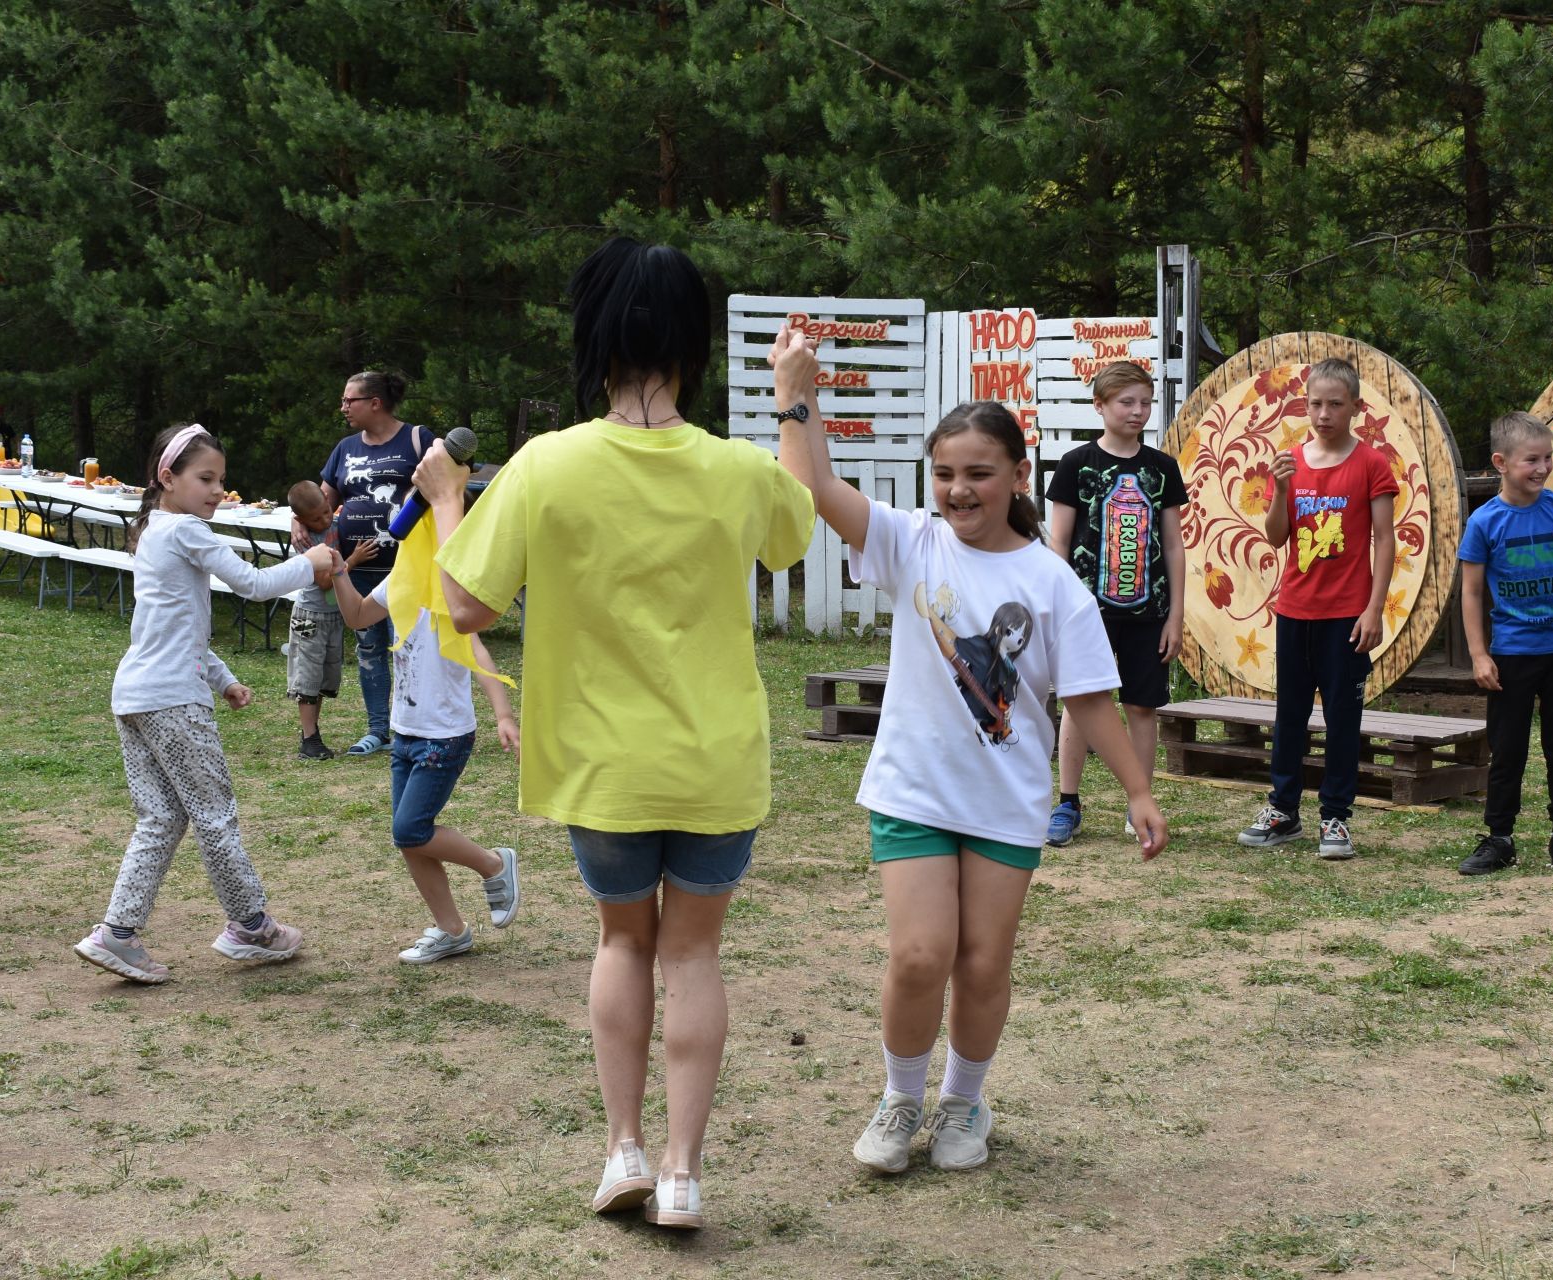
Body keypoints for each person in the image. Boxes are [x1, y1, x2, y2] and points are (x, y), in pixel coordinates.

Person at [421, 237, 814, 1229]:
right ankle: (682, 1170)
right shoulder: (735, 469)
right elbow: (800, 524)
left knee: (622, 940)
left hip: (600, 766)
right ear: (695, 342)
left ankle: (623, 1150)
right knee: (693, 953)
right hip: (718, 761)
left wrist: (445, 499)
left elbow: (464, 603)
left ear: (593, 339)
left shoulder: (549, 464)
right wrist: (798, 398)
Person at [768, 327, 1168, 1177]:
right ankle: (899, 1097)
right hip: (914, 789)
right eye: (945, 473)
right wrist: (796, 396)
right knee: (920, 956)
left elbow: (1091, 700)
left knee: (983, 963)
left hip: (1005, 801)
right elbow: (815, 487)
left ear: (1019, 477)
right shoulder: (911, 540)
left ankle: (962, 1103)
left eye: (979, 473)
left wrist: (1136, 791)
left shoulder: (1054, 583)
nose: (958, 490)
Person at [73, 423, 334, 984]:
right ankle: (252, 928)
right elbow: (252, 584)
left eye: (221, 479)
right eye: (205, 478)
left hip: (136, 696)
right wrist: (311, 564)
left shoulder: (155, 533)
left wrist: (224, 680)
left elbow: (174, 630)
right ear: (167, 478)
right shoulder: (185, 529)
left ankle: (117, 935)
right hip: (171, 702)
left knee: (162, 816)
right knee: (214, 816)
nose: (217, 490)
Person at [1238, 357, 1399, 859]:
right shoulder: (1292, 459)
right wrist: (1281, 488)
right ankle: (1283, 811)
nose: (1323, 413)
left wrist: (1374, 610)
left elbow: (1385, 540)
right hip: (1295, 610)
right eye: (1315, 404)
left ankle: (1336, 818)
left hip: (1347, 615)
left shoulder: (1371, 464)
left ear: (1355, 406)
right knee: (1289, 715)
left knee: (1343, 717)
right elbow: (1277, 536)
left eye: (1334, 404)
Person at [331, 546, 521, 963]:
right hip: (406, 732)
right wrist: (341, 573)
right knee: (410, 840)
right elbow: (358, 617)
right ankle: (452, 930)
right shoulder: (399, 580)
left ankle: (493, 864)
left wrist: (504, 715)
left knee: (411, 830)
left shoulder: (446, 588)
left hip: (446, 734)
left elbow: (476, 651)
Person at [1044, 361, 1189, 844]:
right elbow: (1059, 543)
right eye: (1126, 402)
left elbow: (1172, 546)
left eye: (1145, 402)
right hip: (1086, 613)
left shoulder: (1162, 469)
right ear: (1100, 406)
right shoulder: (1075, 465)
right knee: (1082, 703)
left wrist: (1176, 615)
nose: (1138, 411)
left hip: (1150, 613)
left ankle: (1138, 802)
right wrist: (1061, 607)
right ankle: (1067, 803)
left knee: (1142, 706)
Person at [1456, 412, 1553, 876]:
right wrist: (1480, 654)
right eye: (1531, 460)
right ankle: (1499, 838)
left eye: (1548, 458)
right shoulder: (1484, 522)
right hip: (1511, 656)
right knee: (1508, 749)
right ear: (1501, 462)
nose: (1542, 468)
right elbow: (1473, 592)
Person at [299, 371, 436, 757]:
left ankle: (413, 728)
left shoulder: (418, 439)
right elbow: (321, 500)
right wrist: (298, 517)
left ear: (375, 402)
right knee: (369, 651)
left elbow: (446, 483)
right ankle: (379, 730)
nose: (343, 407)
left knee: (408, 647)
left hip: (407, 568)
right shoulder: (345, 448)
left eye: (349, 400)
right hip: (357, 571)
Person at [285, 481, 375, 760]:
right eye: (315, 519)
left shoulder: (332, 523)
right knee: (308, 678)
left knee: (323, 677)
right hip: (309, 617)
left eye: (326, 513)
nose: (324, 520)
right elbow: (325, 581)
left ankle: (310, 733)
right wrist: (355, 559)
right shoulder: (305, 540)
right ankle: (309, 740)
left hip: (332, 616)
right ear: (301, 521)